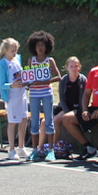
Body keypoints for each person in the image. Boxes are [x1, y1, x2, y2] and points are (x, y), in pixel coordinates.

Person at [24, 30, 60, 161]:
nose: (40, 47)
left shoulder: (50, 60)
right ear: (34, 47)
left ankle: (50, 150)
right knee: (34, 121)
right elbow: (28, 78)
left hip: (46, 93)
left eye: (42, 45)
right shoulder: (31, 60)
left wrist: (45, 81)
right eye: (38, 45)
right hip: (34, 93)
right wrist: (26, 82)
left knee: (49, 121)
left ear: (47, 47)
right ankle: (35, 150)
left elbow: (58, 76)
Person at [54, 57, 94, 160]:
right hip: (66, 108)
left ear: (79, 67)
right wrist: (67, 111)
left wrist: (81, 110)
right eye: (71, 66)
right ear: (67, 67)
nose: (74, 68)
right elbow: (62, 99)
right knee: (53, 121)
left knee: (72, 120)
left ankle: (88, 148)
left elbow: (85, 97)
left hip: (79, 108)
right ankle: (53, 147)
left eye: (76, 66)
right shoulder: (64, 80)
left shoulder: (83, 79)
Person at [0, 38, 27, 160]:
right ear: (5, 50)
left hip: (22, 94)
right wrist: (12, 85)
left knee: (24, 119)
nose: (14, 53)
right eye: (12, 50)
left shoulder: (17, 59)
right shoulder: (3, 64)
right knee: (13, 122)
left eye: (15, 50)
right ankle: (11, 149)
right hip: (12, 96)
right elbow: (2, 84)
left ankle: (21, 147)